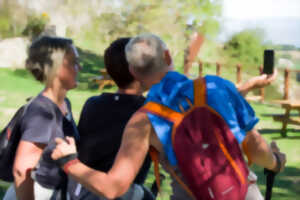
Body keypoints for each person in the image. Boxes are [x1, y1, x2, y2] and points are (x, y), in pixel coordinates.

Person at [51, 34, 285, 200]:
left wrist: (69, 161)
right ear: (167, 54)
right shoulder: (217, 87)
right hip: (244, 193)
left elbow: (113, 188)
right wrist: (275, 161)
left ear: (133, 71)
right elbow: (255, 147)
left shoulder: (142, 121)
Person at [68, 38, 154, 200]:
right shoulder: (148, 113)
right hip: (117, 192)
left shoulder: (93, 104)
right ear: (138, 71)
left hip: (82, 189)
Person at [4, 36, 81, 200]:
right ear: (57, 67)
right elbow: (21, 171)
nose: (79, 67)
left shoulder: (63, 103)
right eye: (74, 62)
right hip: (36, 193)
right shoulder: (43, 113)